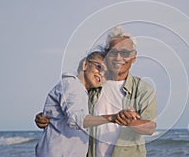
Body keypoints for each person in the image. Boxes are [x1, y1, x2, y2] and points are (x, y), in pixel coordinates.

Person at [35, 25, 157, 157]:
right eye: (113, 52)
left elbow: (149, 128)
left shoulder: (143, 89)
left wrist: (127, 120)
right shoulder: (93, 85)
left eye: (125, 53)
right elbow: (73, 110)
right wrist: (49, 117)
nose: (118, 57)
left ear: (133, 57)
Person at [36, 51, 108, 157]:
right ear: (85, 65)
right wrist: (111, 118)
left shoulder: (81, 90)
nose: (101, 74)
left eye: (106, 74)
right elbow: (76, 119)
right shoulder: (73, 85)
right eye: (99, 67)